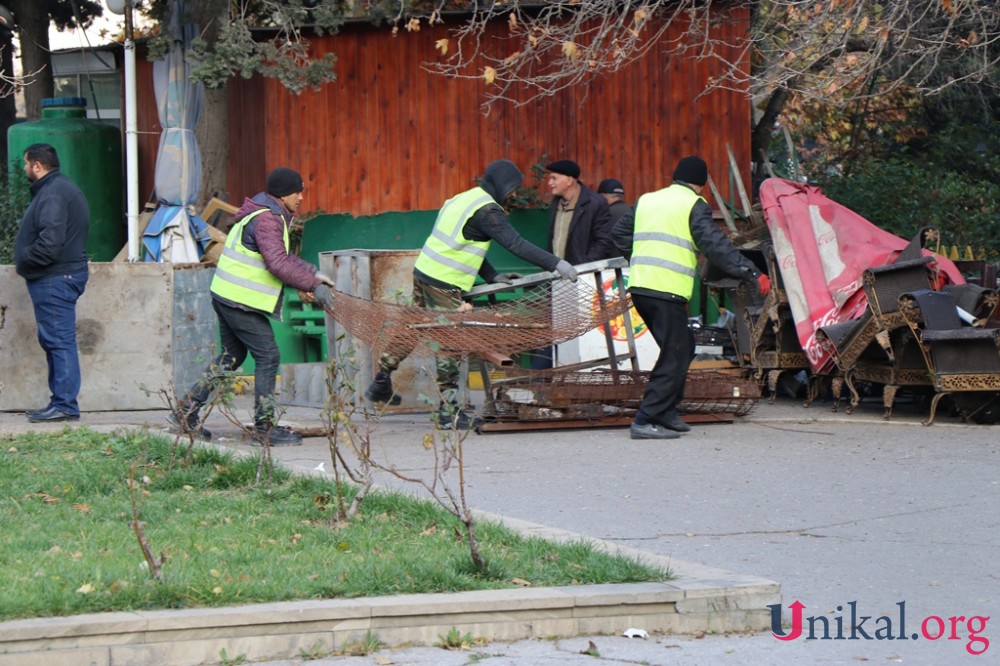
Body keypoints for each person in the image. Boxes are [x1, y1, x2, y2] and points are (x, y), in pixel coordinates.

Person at [363, 159, 578, 430]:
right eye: (512, 190)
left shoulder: (462, 199)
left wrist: (492, 276)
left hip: (424, 272)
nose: (512, 196)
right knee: (450, 344)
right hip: (444, 282)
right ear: (503, 184)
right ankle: (448, 412)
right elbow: (516, 244)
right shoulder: (488, 210)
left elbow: (467, 241)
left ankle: (382, 379)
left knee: (411, 327)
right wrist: (556, 263)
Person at [169, 167, 336, 446]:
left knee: (231, 357)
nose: (302, 197)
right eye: (298, 191)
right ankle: (264, 428)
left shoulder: (264, 213)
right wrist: (313, 286)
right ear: (284, 195)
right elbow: (278, 264)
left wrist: (312, 274)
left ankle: (186, 412)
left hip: (225, 295)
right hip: (238, 302)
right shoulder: (269, 220)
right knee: (268, 356)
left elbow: (280, 257)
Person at [612, 155, 771, 440]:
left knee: (681, 348)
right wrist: (751, 272)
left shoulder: (647, 200)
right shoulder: (693, 204)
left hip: (641, 287)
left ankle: (666, 411)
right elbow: (714, 245)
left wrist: (638, 261)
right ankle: (646, 418)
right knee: (675, 354)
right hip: (666, 290)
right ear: (702, 185)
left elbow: (619, 234)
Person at [15, 143, 90, 423]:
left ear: (37, 165)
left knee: (59, 341)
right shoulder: (58, 189)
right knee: (55, 340)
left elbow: (50, 242)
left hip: (55, 278)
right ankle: (59, 402)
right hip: (57, 276)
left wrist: (24, 259)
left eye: (25, 164)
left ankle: (65, 405)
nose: (24, 169)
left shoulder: (54, 193)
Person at [545, 160, 616, 264]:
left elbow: (605, 241)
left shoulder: (595, 203)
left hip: (583, 275)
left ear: (569, 180)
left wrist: (584, 267)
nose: (550, 183)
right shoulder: (556, 203)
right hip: (557, 273)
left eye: (554, 178)